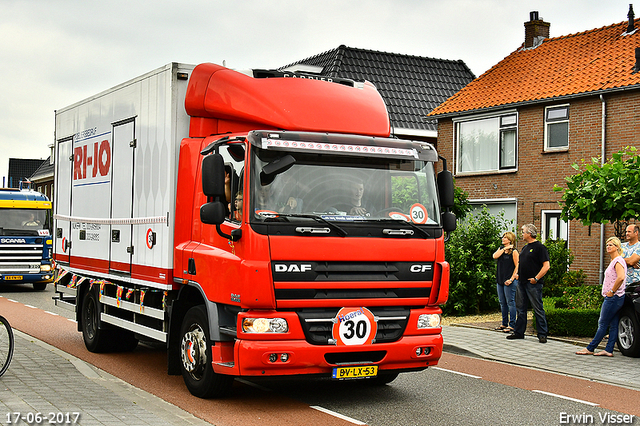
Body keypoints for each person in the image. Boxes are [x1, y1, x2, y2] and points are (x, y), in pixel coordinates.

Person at [576, 237, 627, 357]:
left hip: (614, 297)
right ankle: (609, 349)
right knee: (613, 324)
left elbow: (621, 277)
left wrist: (612, 291)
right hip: (616, 297)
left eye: (611, 245)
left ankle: (591, 347)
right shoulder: (615, 260)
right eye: (607, 245)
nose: (608, 247)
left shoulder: (618, 261)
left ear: (617, 247)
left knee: (602, 323)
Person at [507, 224, 550, 343]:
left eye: (523, 232)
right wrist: (518, 274)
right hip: (521, 282)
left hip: (533, 284)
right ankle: (519, 332)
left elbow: (546, 266)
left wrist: (536, 278)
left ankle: (542, 333)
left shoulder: (540, 248)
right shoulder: (525, 248)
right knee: (520, 308)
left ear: (529, 234)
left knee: (537, 308)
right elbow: (522, 263)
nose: (522, 234)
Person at [492, 231, 519, 333]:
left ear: (510, 240)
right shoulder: (501, 249)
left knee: (510, 302)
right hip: (500, 279)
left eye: (505, 237)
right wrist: (504, 249)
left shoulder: (514, 252)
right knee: (502, 302)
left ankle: (512, 325)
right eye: (503, 237)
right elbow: (495, 256)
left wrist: (512, 279)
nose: (503, 239)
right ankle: (504, 323)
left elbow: (517, 266)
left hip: (509, 281)